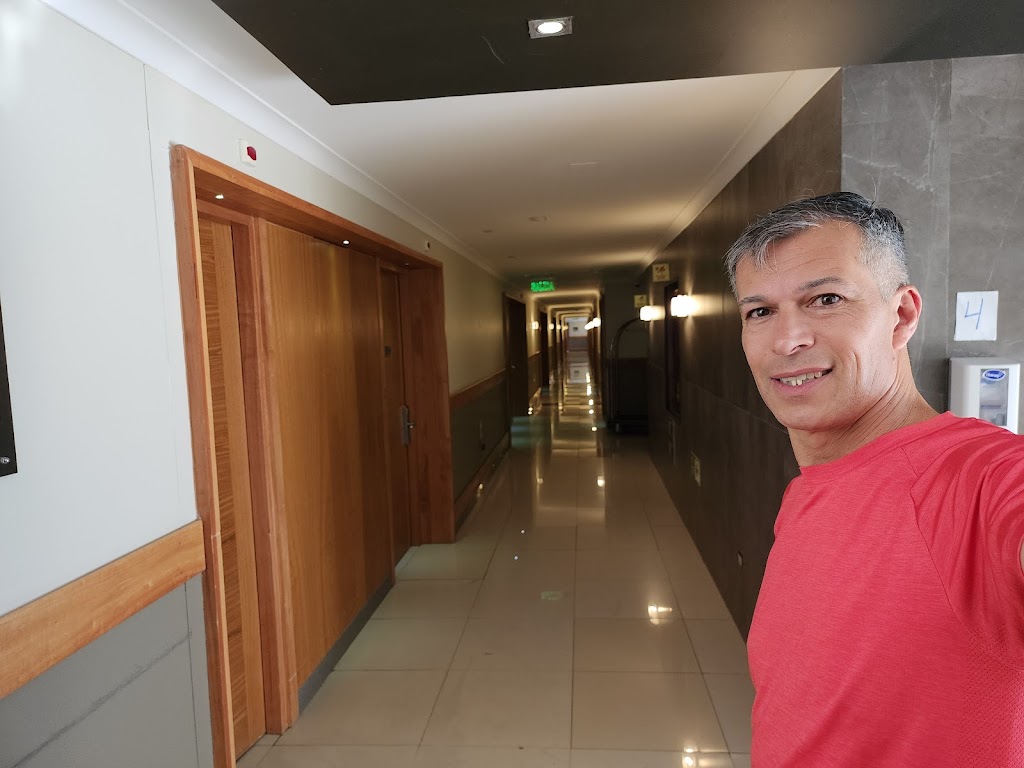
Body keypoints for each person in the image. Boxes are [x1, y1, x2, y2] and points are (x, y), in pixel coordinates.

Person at [724, 192, 1024, 767]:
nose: (787, 340)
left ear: (902, 315)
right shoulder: (810, 489)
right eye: (760, 311)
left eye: (826, 300)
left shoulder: (977, 480)